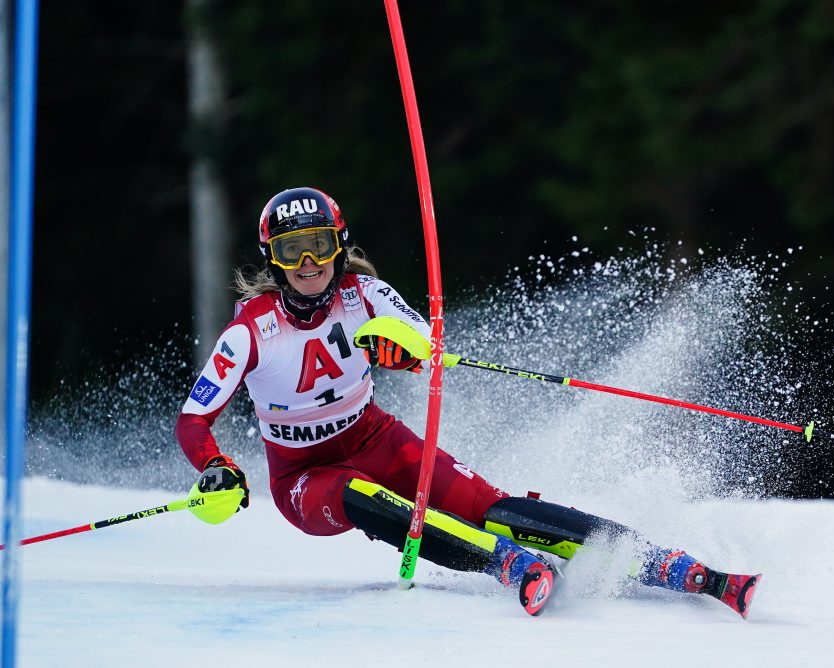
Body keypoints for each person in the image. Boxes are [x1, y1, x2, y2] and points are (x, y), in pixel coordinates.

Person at [176, 186, 760, 618]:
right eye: (292, 251)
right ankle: (506, 564)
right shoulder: (250, 331)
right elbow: (193, 421)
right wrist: (215, 465)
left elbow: (426, 344)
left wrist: (406, 352)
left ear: (339, 246)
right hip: (305, 477)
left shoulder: (365, 294)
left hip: (376, 438)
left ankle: (673, 564)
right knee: (362, 495)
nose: (309, 265)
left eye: (319, 246)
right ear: (272, 259)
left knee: (490, 506)